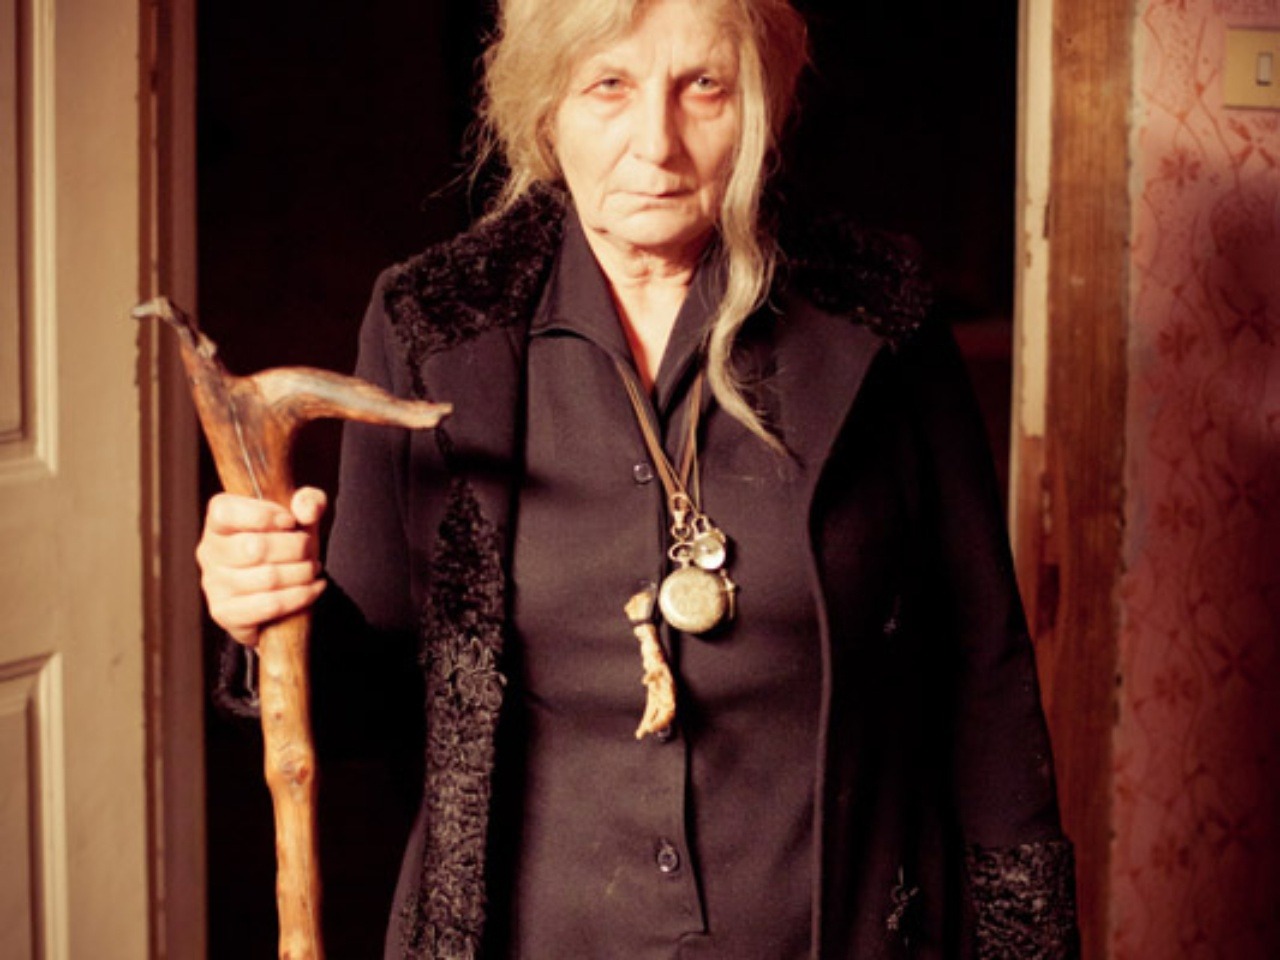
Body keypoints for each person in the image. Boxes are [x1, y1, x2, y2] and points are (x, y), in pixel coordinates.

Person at [197, 0, 1079, 957]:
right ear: (546, 109)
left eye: (704, 86)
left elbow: (985, 671)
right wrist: (268, 615)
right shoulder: (432, 327)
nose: (656, 143)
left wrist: (1027, 940)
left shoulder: (879, 315)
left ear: (763, 106)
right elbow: (366, 703)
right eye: (608, 86)